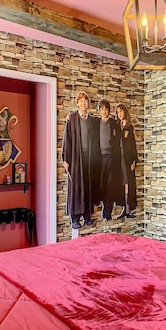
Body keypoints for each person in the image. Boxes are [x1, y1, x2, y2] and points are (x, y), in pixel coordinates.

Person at [62, 91, 100, 229]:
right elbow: (67, 139)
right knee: (76, 188)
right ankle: (75, 218)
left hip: (88, 159)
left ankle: (87, 216)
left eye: (86, 101)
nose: (84, 103)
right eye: (81, 101)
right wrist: (66, 159)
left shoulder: (91, 120)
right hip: (76, 158)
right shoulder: (71, 118)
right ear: (77, 103)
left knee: (87, 187)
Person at [96, 98, 121, 220]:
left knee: (110, 185)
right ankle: (102, 207)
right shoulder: (95, 123)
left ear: (108, 110)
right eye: (102, 109)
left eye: (106, 109)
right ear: (99, 110)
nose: (104, 111)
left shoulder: (114, 123)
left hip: (111, 158)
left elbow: (119, 139)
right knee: (101, 184)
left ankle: (108, 212)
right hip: (99, 159)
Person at [115, 103, 138, 219]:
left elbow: (133, 145)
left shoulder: (129, 127)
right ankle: (124, 208)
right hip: (119, 159)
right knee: (122, 183)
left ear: (125, 112)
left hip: (128, 159)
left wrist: (134, 161)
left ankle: (128, 209)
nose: (120, 114)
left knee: (128, 183)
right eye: (118, 112)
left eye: (121, 111)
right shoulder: (117, 127)